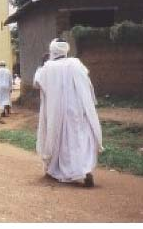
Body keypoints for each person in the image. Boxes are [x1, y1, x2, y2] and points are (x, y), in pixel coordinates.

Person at [35, 39, 102, 187]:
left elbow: (37, 83)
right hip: (77, 110)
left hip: (57, 112)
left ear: (52, 50)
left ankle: (57, 169)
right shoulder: (76, 63)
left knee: (59, 140)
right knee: (78, 139)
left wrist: (41, 65)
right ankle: (85, 169)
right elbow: (87, 84)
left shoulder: (48, 67)